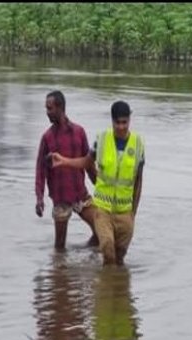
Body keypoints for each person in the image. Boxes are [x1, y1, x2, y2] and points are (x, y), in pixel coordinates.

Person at [50, 101, 144, 266]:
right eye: (117, 123)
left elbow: (138, 181)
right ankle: (105, 289)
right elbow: (87, 162)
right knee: (108, 251)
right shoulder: (101, 140)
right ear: (112, 121)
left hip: (125, 213)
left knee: (119, 258)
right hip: (103, 211)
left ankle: (117, 289)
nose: (121, 127)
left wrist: (133, 214)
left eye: (125, 122)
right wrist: (64, 161)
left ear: (129, 120)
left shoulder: (137, 144)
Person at [35, 90, 98, 250]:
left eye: (50, 108)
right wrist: (39, 198)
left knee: (100, 231)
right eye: (46, 109)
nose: (47, 113)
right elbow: (40, 170)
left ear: (60, 107)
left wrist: (100, 185)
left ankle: (82, 254)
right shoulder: (47, 137)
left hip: (80, 195)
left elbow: (88, 162)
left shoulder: (79, 132)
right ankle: (61, 271)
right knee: (60, 248)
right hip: (60, 198)